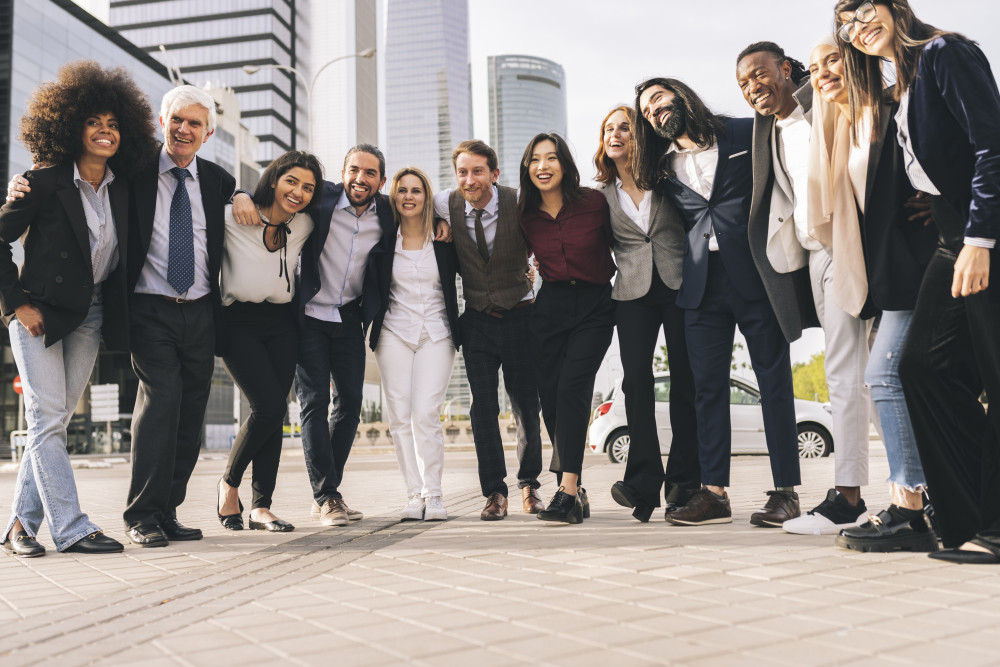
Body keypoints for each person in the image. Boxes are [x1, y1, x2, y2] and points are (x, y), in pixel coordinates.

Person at [836, 0, 1000, 563]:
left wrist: (980, 240)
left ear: (895, 6)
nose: (859, 27)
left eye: (864, 11)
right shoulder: (904, 83)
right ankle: (971, 512)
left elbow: (992, 145)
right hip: (951, 234)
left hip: (982, 235)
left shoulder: (945, 53)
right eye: (847, 25)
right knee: (922, 367)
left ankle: (994, 529)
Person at [231, 145, 450, 528]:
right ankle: (327, 496)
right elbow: (278, 196)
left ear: (381, 182)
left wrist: (442, 221)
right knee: (314, 401)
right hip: (309, 315)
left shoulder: (387, 211)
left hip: (348, 317)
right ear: (343, 172)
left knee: (349, 403)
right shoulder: (322, 199)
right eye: (354, 170)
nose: (359, 179)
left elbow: (428, 204)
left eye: (369, 174)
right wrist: (241, 194)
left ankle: (327, 493)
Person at [632, 78, 807, 527]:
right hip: (700, 287)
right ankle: (714, 493)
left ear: (680, 95)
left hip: (756, 275)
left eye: (657, 99)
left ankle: (785, 492)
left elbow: (795, 155)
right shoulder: (662, 166)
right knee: (706, 389)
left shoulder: (747, 132)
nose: (654, 112)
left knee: (773, 381)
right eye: (646, 112)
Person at [0, 61, 157, 556]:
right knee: (47, 417)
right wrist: (17, 305)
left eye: (113, 124)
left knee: (55, 420)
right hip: (38, 314)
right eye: (94, 121)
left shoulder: (126, 187)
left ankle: (19, 528)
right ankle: (71, 528)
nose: (105, 131)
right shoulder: (42, 181)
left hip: (89, 315)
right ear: (71, 125)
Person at [735, 41, 876, 533]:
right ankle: (902, 487)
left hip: (850, 246)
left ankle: (850, 496)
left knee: (850, 371)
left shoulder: (828, 103)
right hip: (814, 256)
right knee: (872, 376)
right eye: (743, 83)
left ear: (786, 69)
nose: (752, 87)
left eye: (759, 74)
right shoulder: (767, 131)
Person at [804, 35, 939, 551]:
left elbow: (954, 157)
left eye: (832, 59)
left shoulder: (895, 107)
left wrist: (939, 202)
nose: (822, 73)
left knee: (882, 373)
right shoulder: (841, 127)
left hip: (928, 264)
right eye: (815, 68)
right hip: (891, 277)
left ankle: (912, 505)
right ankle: (925, 500)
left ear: (859, 60)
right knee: (906, 380)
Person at [120, 86, 236, 547]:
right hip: (150, 308)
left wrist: (245, 192)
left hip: (202, 312)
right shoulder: (134, 171)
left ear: (207, 134)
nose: (184, 130)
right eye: (177, 121)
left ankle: (168, 509)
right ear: (162, 122)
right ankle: (141, 514)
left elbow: (249, 198)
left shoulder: (218, 180)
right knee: (161, 402)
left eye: (195, 124)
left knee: (190, 415)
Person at [594, 106, 701, 522]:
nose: (615, 134)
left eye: (625, 127)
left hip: (679, 286)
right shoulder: (599, 197)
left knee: (685, 384)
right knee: (635, 381)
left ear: (641, 136)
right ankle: (642, 482)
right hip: (632, 294)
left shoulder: (670, 178)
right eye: (608, 129)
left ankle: (684, 484)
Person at [433, 140, 546, 521]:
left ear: (494, 174)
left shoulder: (519, 202)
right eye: (463, 171)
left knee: (526, 407)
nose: (470, 179)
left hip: (521, 314)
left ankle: (529, 483)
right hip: (477, 319)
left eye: (478, 171)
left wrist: (538, 279)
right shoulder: (445, 203)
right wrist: (437, 224)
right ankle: (495, 492)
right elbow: (405, 207)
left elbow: (545, 244)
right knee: (482, 408)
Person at [216, 151, 323, 532]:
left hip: (282, 325)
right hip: (237, 322)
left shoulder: (306, 224)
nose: (299, 192)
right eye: (291, 181)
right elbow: (211, 196)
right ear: (274, 179)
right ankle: (229, 486)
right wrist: (240, 194)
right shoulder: (233, 216)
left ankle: (261, 506)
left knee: (273, 414)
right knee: (268, 406)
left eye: (308, 187)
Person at [518, 133, 616, 524]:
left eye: (551, 158)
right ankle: (570, 487)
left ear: (565, 164)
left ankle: (569, 491)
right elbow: (513, 255)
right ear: (527, 167)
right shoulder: (524, 213)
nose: (543, 166)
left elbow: (624, 243)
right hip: (551, 306)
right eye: (535, 159)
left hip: (594, 305)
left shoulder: (594, 203)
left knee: (574, 387)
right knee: (552, 399)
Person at [369, 167, 460, 522]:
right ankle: (413, 494)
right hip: (394, 332)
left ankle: (434, 494)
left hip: (436, 333)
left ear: (427, 197)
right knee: (399, 417)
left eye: (416, 191)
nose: (409, 196)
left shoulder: (444, 238)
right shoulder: (382, 239)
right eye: (402, 190)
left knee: (425, 413)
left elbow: (463, 197)